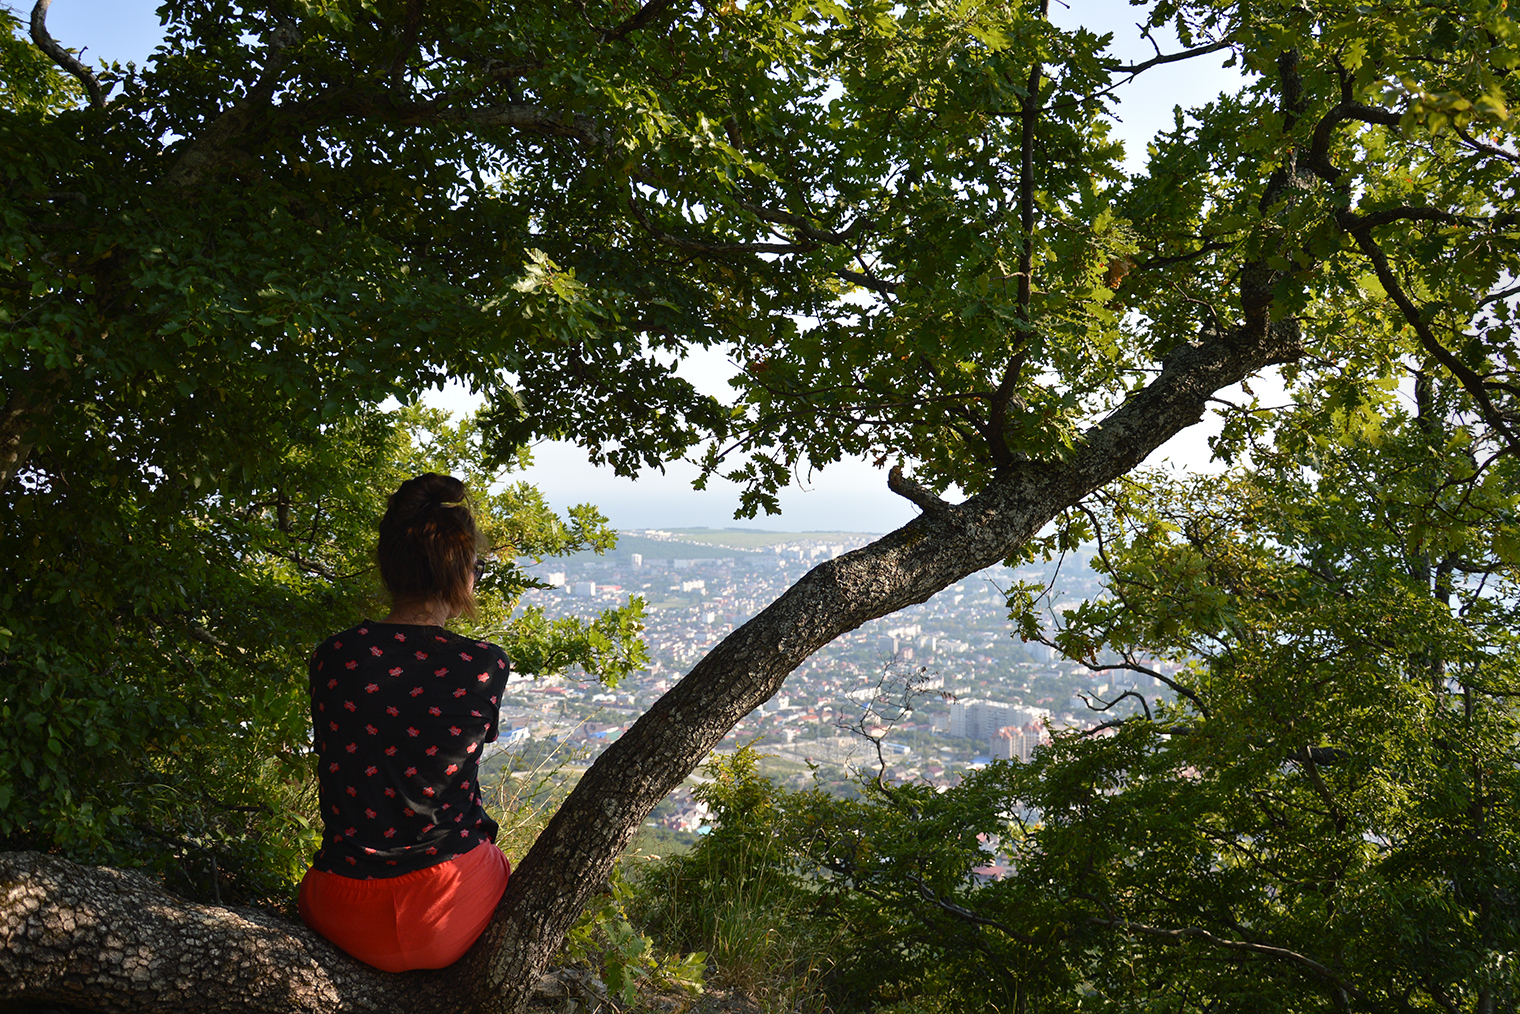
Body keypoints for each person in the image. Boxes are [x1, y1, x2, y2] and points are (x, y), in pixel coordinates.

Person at [297, 473, 512, 972]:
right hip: (449, 907)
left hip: (338, 904)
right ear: (460, 574)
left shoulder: (334, 655)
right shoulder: (483, 665)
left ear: (389, 567)